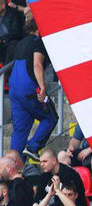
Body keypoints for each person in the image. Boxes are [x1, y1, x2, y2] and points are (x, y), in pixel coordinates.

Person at [8, 19, 54, 160]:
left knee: (20, 130)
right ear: (39, 30)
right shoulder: (37, 42)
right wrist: (42, 88)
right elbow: (37, 65)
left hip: (14, 89)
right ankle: (32, 147)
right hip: (28, 88)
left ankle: (12, 163)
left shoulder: (20, 43)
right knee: (51, 117)